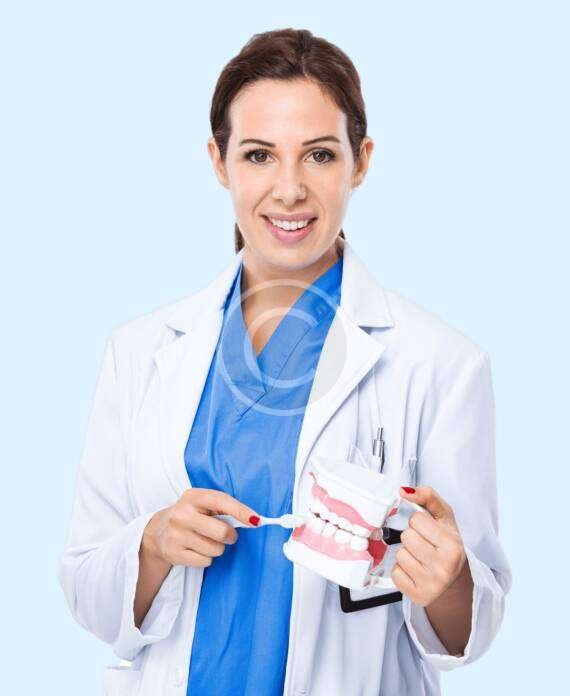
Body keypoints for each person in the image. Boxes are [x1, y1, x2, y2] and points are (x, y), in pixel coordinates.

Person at [59, 28, 512, 696]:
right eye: (259, 155)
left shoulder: (440, 365)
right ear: (219, 162)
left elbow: (469, 630)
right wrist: (151, 544)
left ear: (361, 161)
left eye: (320, 155)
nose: (290, 189)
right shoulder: (139, 353)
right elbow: (86, 590)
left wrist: (448, 580)